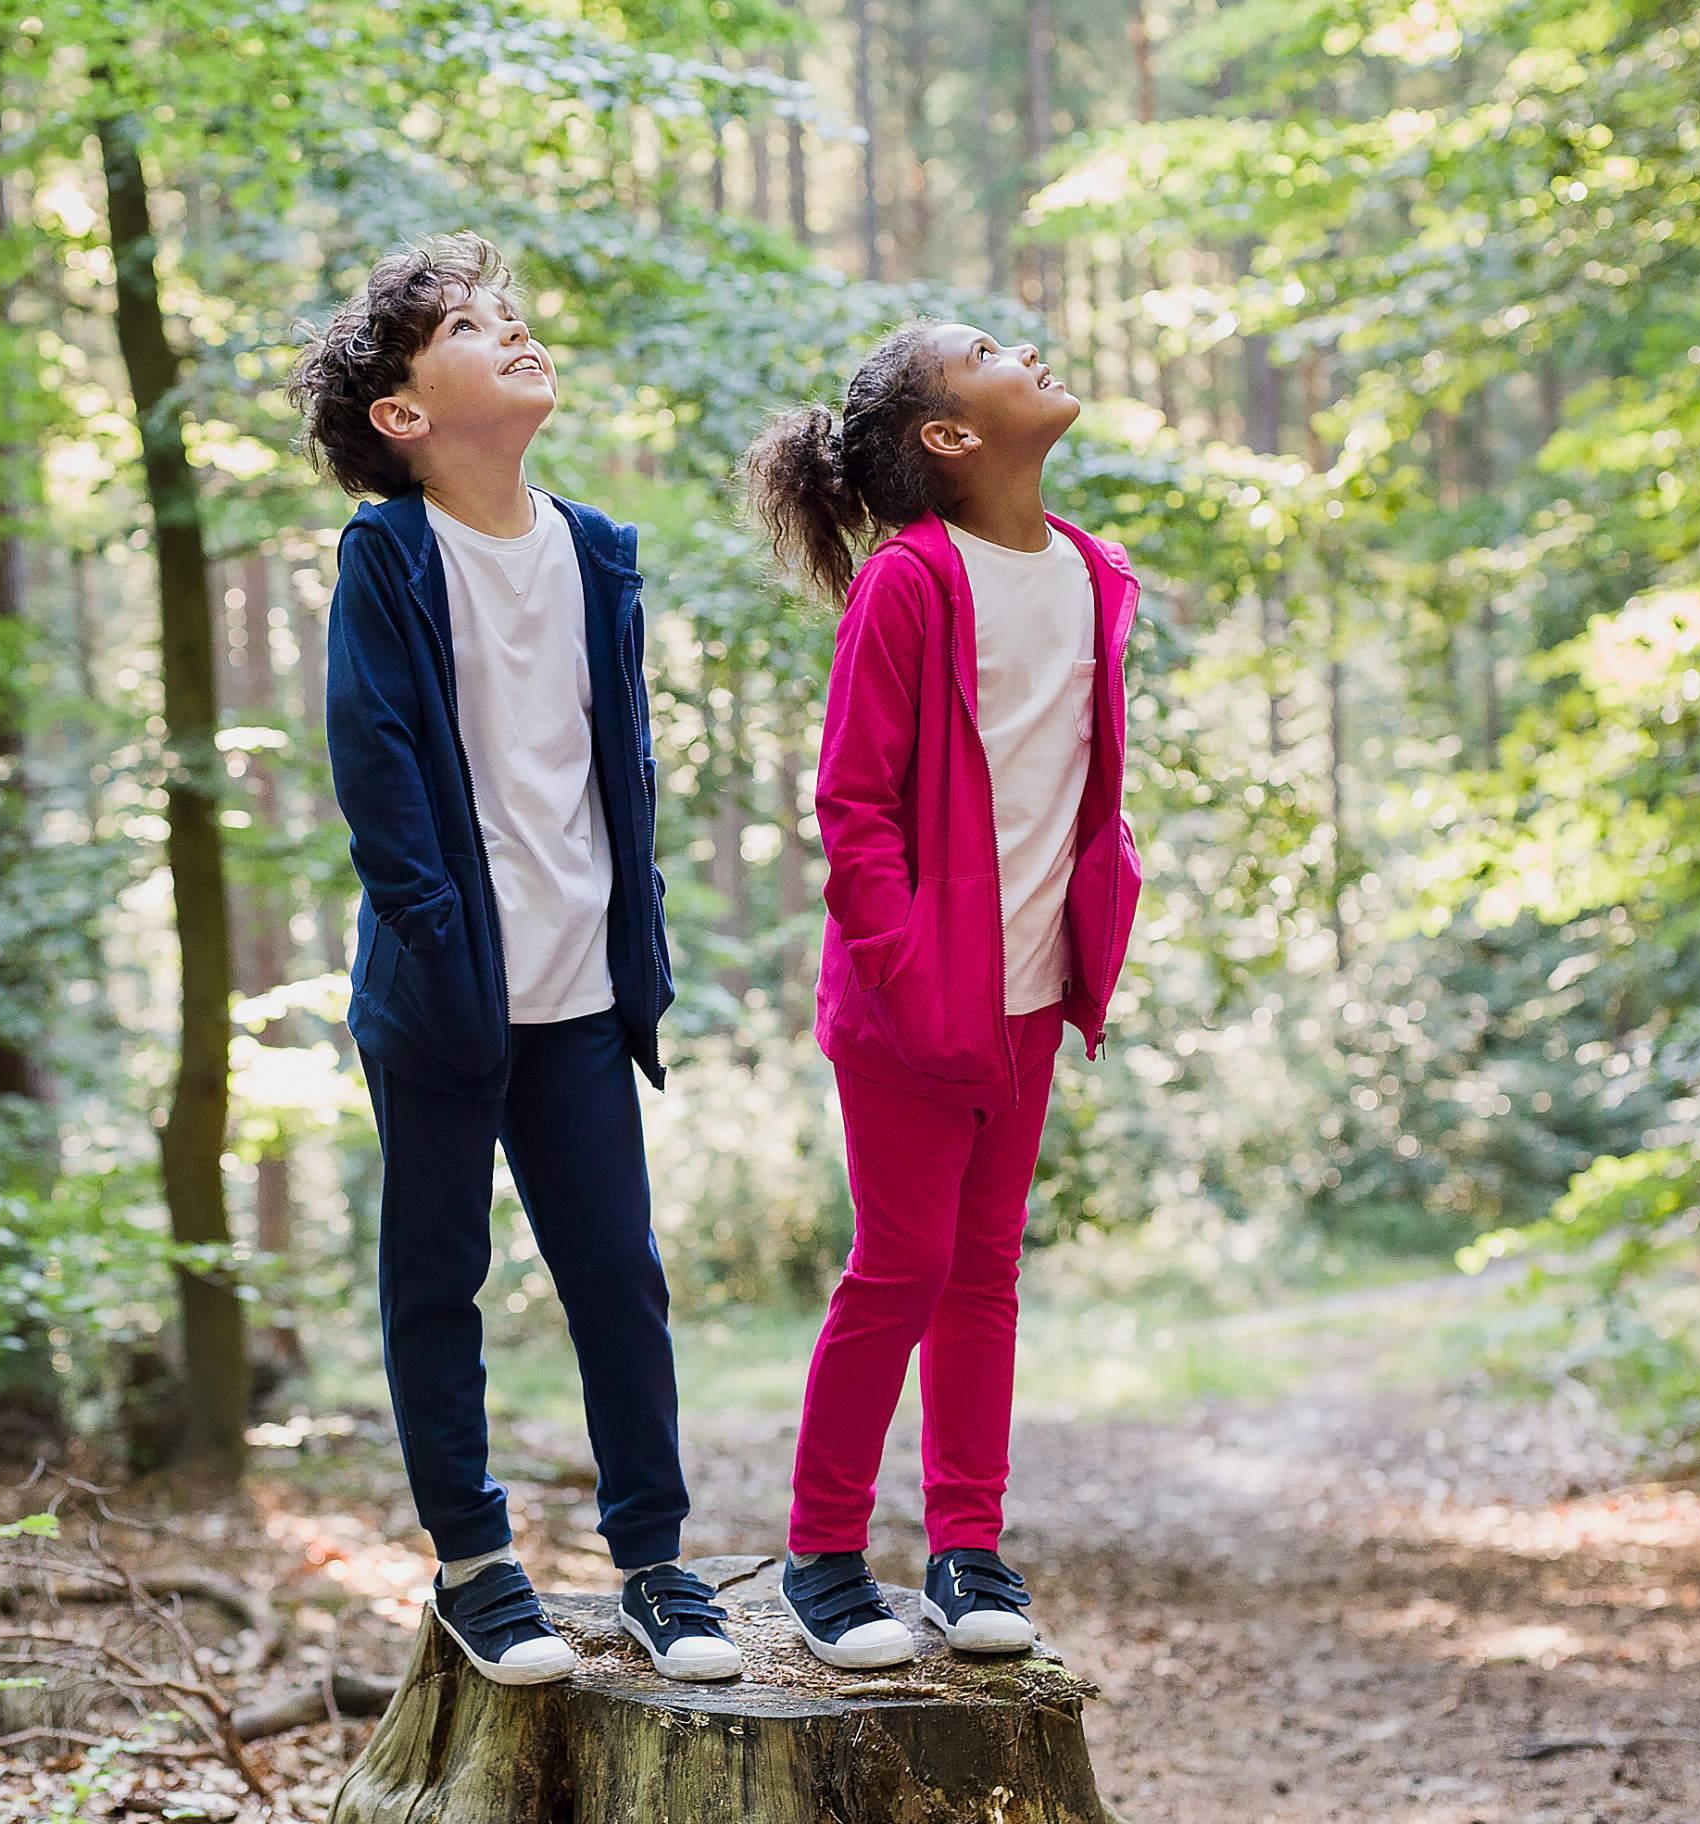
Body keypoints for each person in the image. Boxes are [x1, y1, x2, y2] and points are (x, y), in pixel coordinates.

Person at [288, 233, 741, 1686]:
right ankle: (478, 1565)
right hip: (443, 1003)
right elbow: (381, 775)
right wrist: (442, 949)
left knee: (619, 1272)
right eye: (473, 327)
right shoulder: (389, 556)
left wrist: (634, 946)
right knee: (439, 1276)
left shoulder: (597, 550)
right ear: (406, 419)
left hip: (587, 992)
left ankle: (658, 1564)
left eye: (512, 314)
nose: (515, 331)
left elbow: (621, 767)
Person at [743, 320, 1143, 1669]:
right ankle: (823, 1555)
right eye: (985, 349)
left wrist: (1091, 936)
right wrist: (915, 984)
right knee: (897, 1271)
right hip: (915, 1003)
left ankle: (969, 1552)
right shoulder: (911, 583)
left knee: (982, 1275)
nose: (1025, 347)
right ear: (950, 438)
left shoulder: (1091, 572)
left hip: (1032, 990)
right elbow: (853, 811)